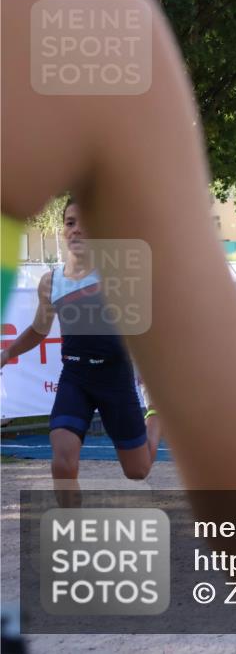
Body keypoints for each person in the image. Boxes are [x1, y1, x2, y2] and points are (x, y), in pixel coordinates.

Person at [1, 0, 236, 647]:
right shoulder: (99, 24)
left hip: (147, 366)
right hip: (84, 373)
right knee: (68, 458)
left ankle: (183, 419)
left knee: (139, 466)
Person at [1, 200, 162, 504]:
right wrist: (7, 353)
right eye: (71, 223)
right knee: (62, 463)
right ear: (63, 230)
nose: (77, 230)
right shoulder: (51, 281)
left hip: (115, 377)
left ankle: (157, 414)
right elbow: (38, 329)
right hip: (75, 376)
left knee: (137, 471)